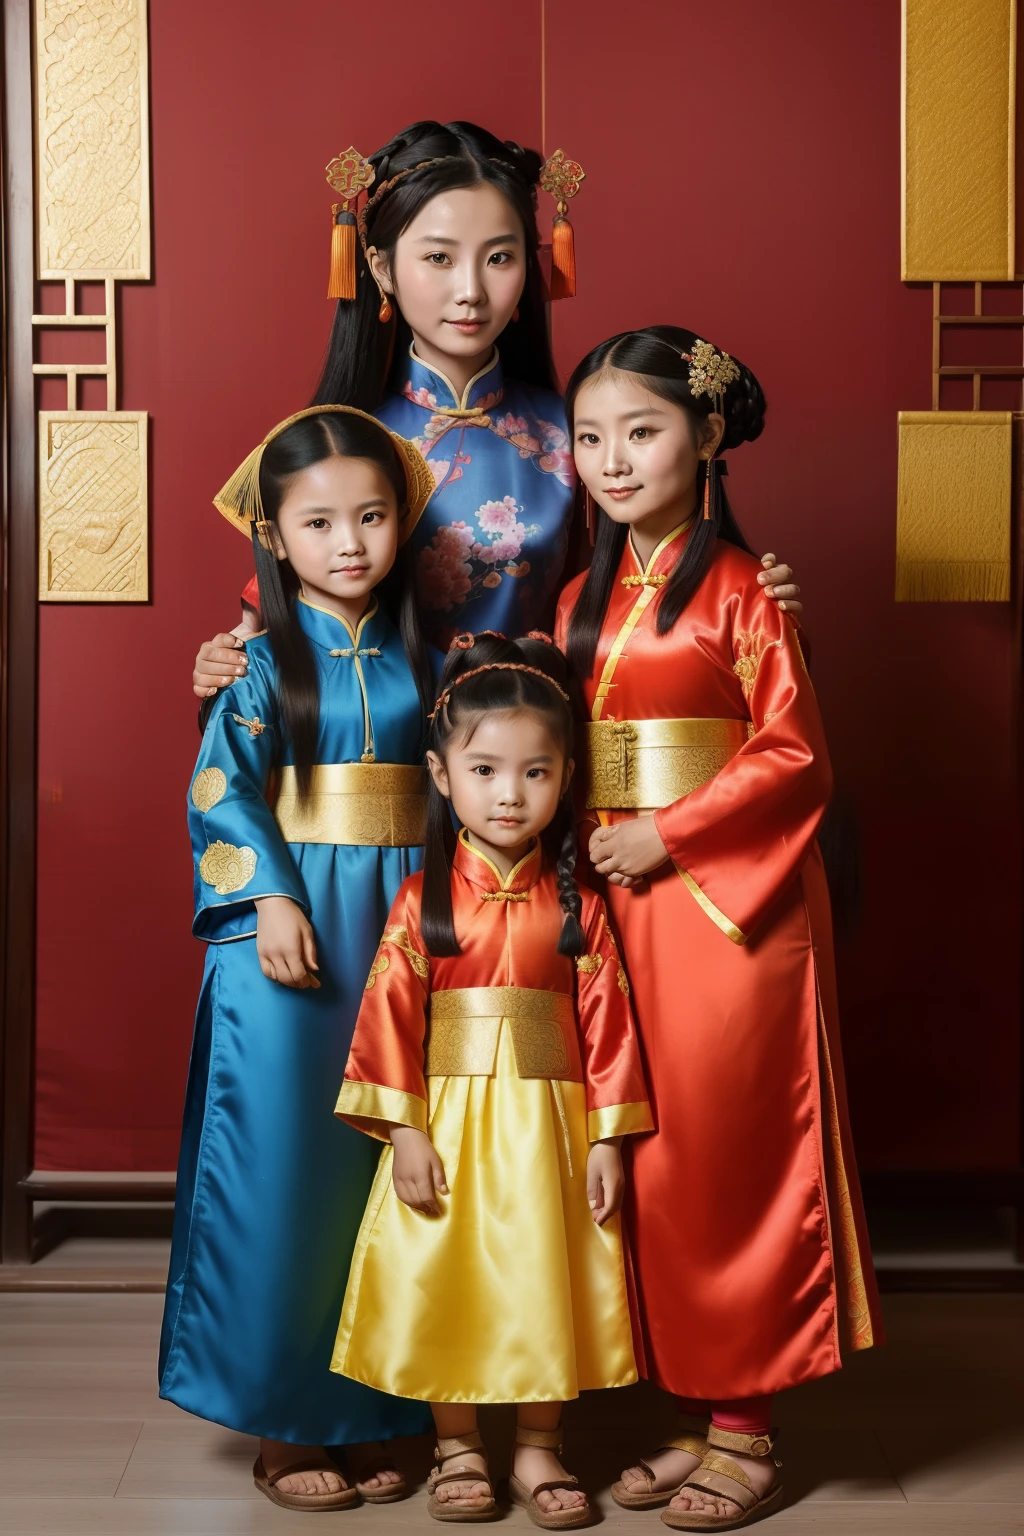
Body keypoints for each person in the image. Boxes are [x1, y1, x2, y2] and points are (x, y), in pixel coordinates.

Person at [555, 328, 883, 1533]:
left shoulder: (743, 586)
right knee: (648, 1155)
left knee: (734, 1154)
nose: (612, 460)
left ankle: (747, 1428)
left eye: (640, 432)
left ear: (705, 439)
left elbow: (795, 753)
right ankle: (689, 1412)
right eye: (591, 437)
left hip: (724, 913)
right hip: (619, 899)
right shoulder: (583, 593)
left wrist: (673, 836)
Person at [189, 120, 802, 696]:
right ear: (381, 268)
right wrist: (229, 656)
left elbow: (645, 594)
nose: (470, 291)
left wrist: (746, 595)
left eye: (499, 257)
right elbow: (273, 621)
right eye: (438, 257)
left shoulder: (577, 437)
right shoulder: (339, 442)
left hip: (538, 751)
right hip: (384, 750)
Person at [160, 406, 437, 1511]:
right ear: (274, 537)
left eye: (371, 516)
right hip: (291, 932)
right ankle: (286, 1417)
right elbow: (221, 788)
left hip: (411, 923)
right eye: (317, 522)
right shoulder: (258, 664)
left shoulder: (436, 653)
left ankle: (388, 1405)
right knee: (287, 1167)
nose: (349, 543)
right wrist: (270, 894)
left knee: (398, 1167)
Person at [332, 633, 652, 1529]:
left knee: (544, 1271)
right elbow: (390, 1016)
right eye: (485, 770)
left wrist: (607, 1140)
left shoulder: (579, 900)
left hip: (551, 1122)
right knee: (446, 1265)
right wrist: (403, 1132)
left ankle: (541, 1447)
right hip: (450, 1121)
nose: (510, 795)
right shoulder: (421, 899)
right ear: (441, 775)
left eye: (537, 773)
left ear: (566, 775)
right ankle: (458, 1444)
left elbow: (609, 1022)